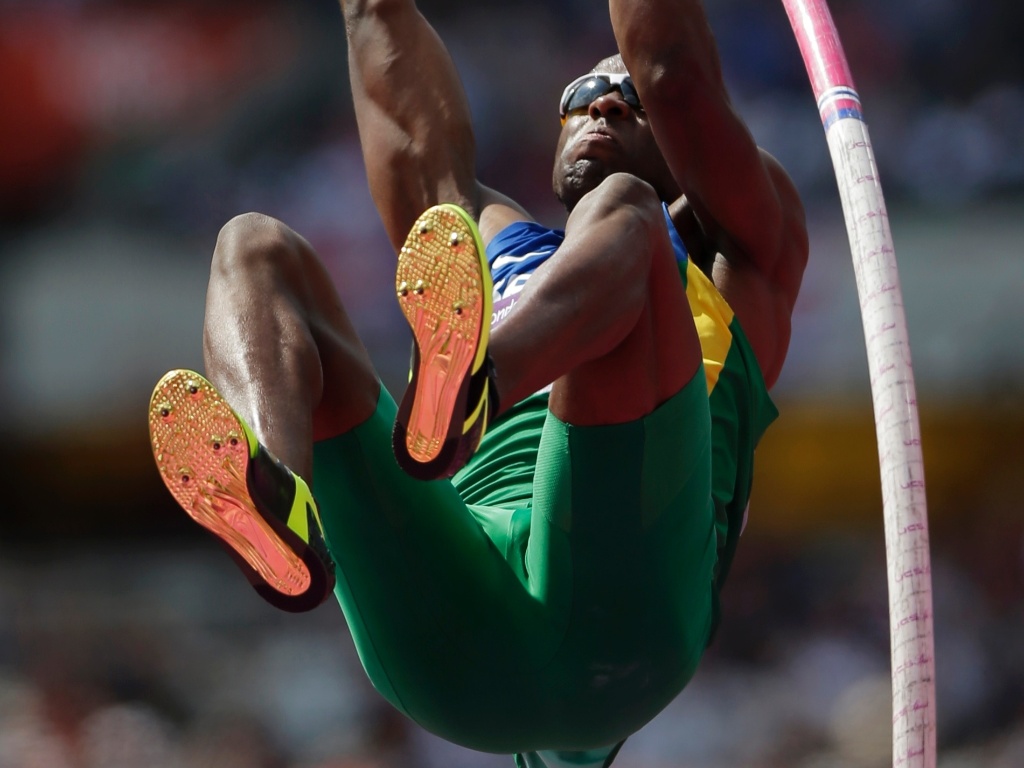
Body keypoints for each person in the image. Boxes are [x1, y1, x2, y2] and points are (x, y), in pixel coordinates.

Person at [147, 0, 808, 765]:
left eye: (625, 97)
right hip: (459, 653)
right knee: (251, 248)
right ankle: (275, 493)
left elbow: (673, 65)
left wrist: (654, 86)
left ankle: (476, 388)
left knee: (628, 216)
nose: (601, 102)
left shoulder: (741, 254)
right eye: (579, 99)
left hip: (621, 628)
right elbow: (394, 80)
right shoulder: (482, 255)